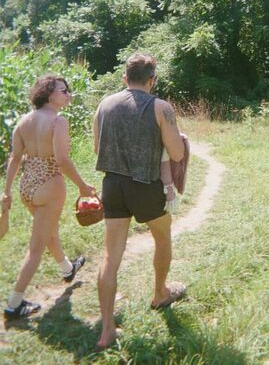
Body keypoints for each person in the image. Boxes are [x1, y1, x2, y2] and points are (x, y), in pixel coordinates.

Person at [93, 53, 186, 348]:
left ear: (125, 78)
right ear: (152, 80)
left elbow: (97, 148)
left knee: (110, 257)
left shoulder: (105, 104)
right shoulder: (161, 107)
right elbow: (177, 153)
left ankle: (107, 330)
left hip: (112, 186)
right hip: (146, 187)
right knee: (163, 237)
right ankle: (160, 293)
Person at [2, 74, 95, 319]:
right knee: (36, 247)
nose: (68, 95)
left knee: (48, 231)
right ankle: (14, 303)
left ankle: (67, 268)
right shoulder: (58, 121)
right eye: (63, 91)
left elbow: (15, 158)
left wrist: (7, 190)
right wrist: (83, 186)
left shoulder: (24, 121)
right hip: (50, 184)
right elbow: (62, 160)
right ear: (49, 95)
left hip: (27, 186)